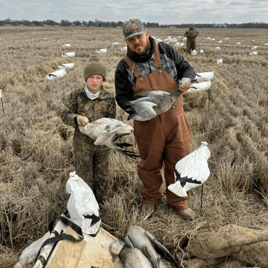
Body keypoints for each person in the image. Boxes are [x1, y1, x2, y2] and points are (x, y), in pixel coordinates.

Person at [115, 19, 196, 220]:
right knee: (149, 164)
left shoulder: (166, 51)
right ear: (126, 42)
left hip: (175, 119)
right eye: (130, 39)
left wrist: (186, 79)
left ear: (147, 33)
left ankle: (178, 202)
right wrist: (135, 107)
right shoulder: (124, 67)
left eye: (138, 36)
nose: (136, 42)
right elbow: (122, 97)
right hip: (147, 123)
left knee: (178, 162)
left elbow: (187, 68)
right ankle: (150, 200)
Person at [61, 55, 116, 204]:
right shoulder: (76, 95)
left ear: (103, 79)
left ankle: (102, 206)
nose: (95, 81)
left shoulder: (109, 98)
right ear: (86, 78)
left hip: (102, 146)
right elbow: (64, 115)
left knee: (102, 177)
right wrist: (76, 118)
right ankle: (85, 206)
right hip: (82, 146)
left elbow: (112, 120)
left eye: (99, 77)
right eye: (91, 77)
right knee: (84, 178)